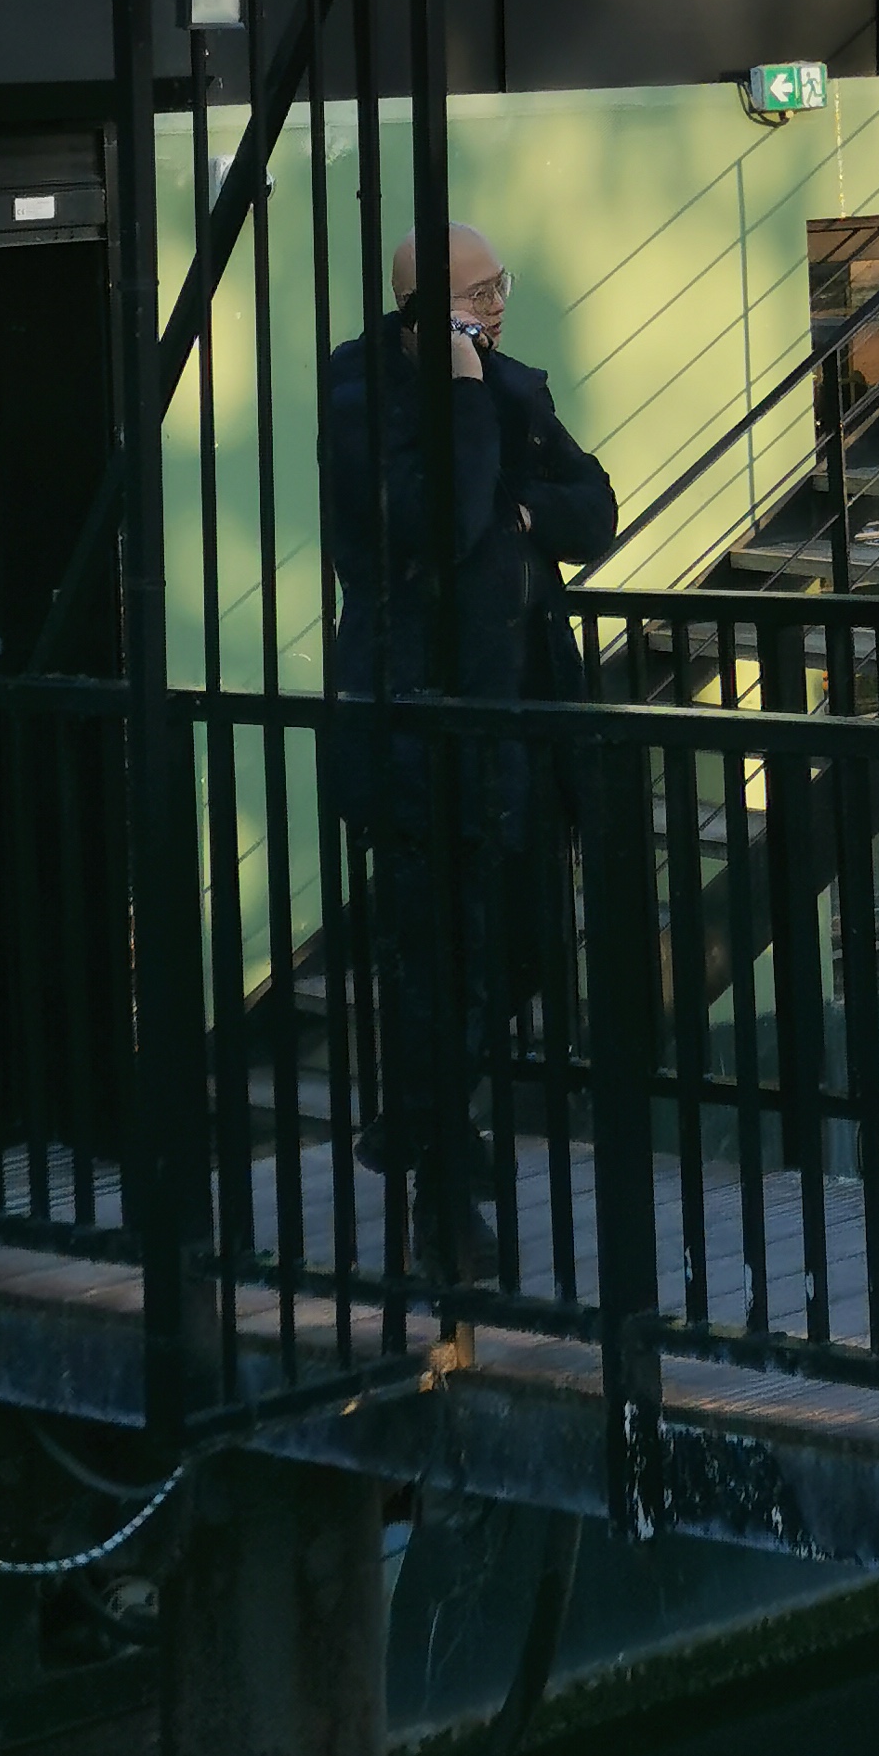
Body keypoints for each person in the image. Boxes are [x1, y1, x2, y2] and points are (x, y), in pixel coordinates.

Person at [321, 222, 615, 1258]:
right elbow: (439, 525)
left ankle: (414, 1124)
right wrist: (460, 393)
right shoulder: (363, 397)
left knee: (526, 950)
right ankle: (442, 1193)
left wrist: (522, 515)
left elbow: (595, 508)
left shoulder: (513, 385)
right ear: (422, 313)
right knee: (444, 963)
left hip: (523, 717)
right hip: (424, 727)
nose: (497, 310)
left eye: (499, 289)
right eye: (478, 297)